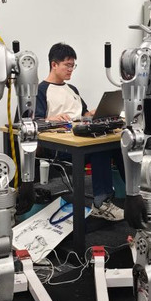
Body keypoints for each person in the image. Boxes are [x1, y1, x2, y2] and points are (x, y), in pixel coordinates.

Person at [35, 42, 124, 221]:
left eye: (73, 65)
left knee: (119, 144)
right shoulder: (41, 90)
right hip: (60, 146)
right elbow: (35, 121)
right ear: (54, 64)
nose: (71, 69)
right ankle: (101, 203)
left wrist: (94, 114)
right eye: (67, 65)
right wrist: (52, 119)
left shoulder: (72, 90)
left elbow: (83, 114)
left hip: (81, 138)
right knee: (100, 150)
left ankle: (136, 192)